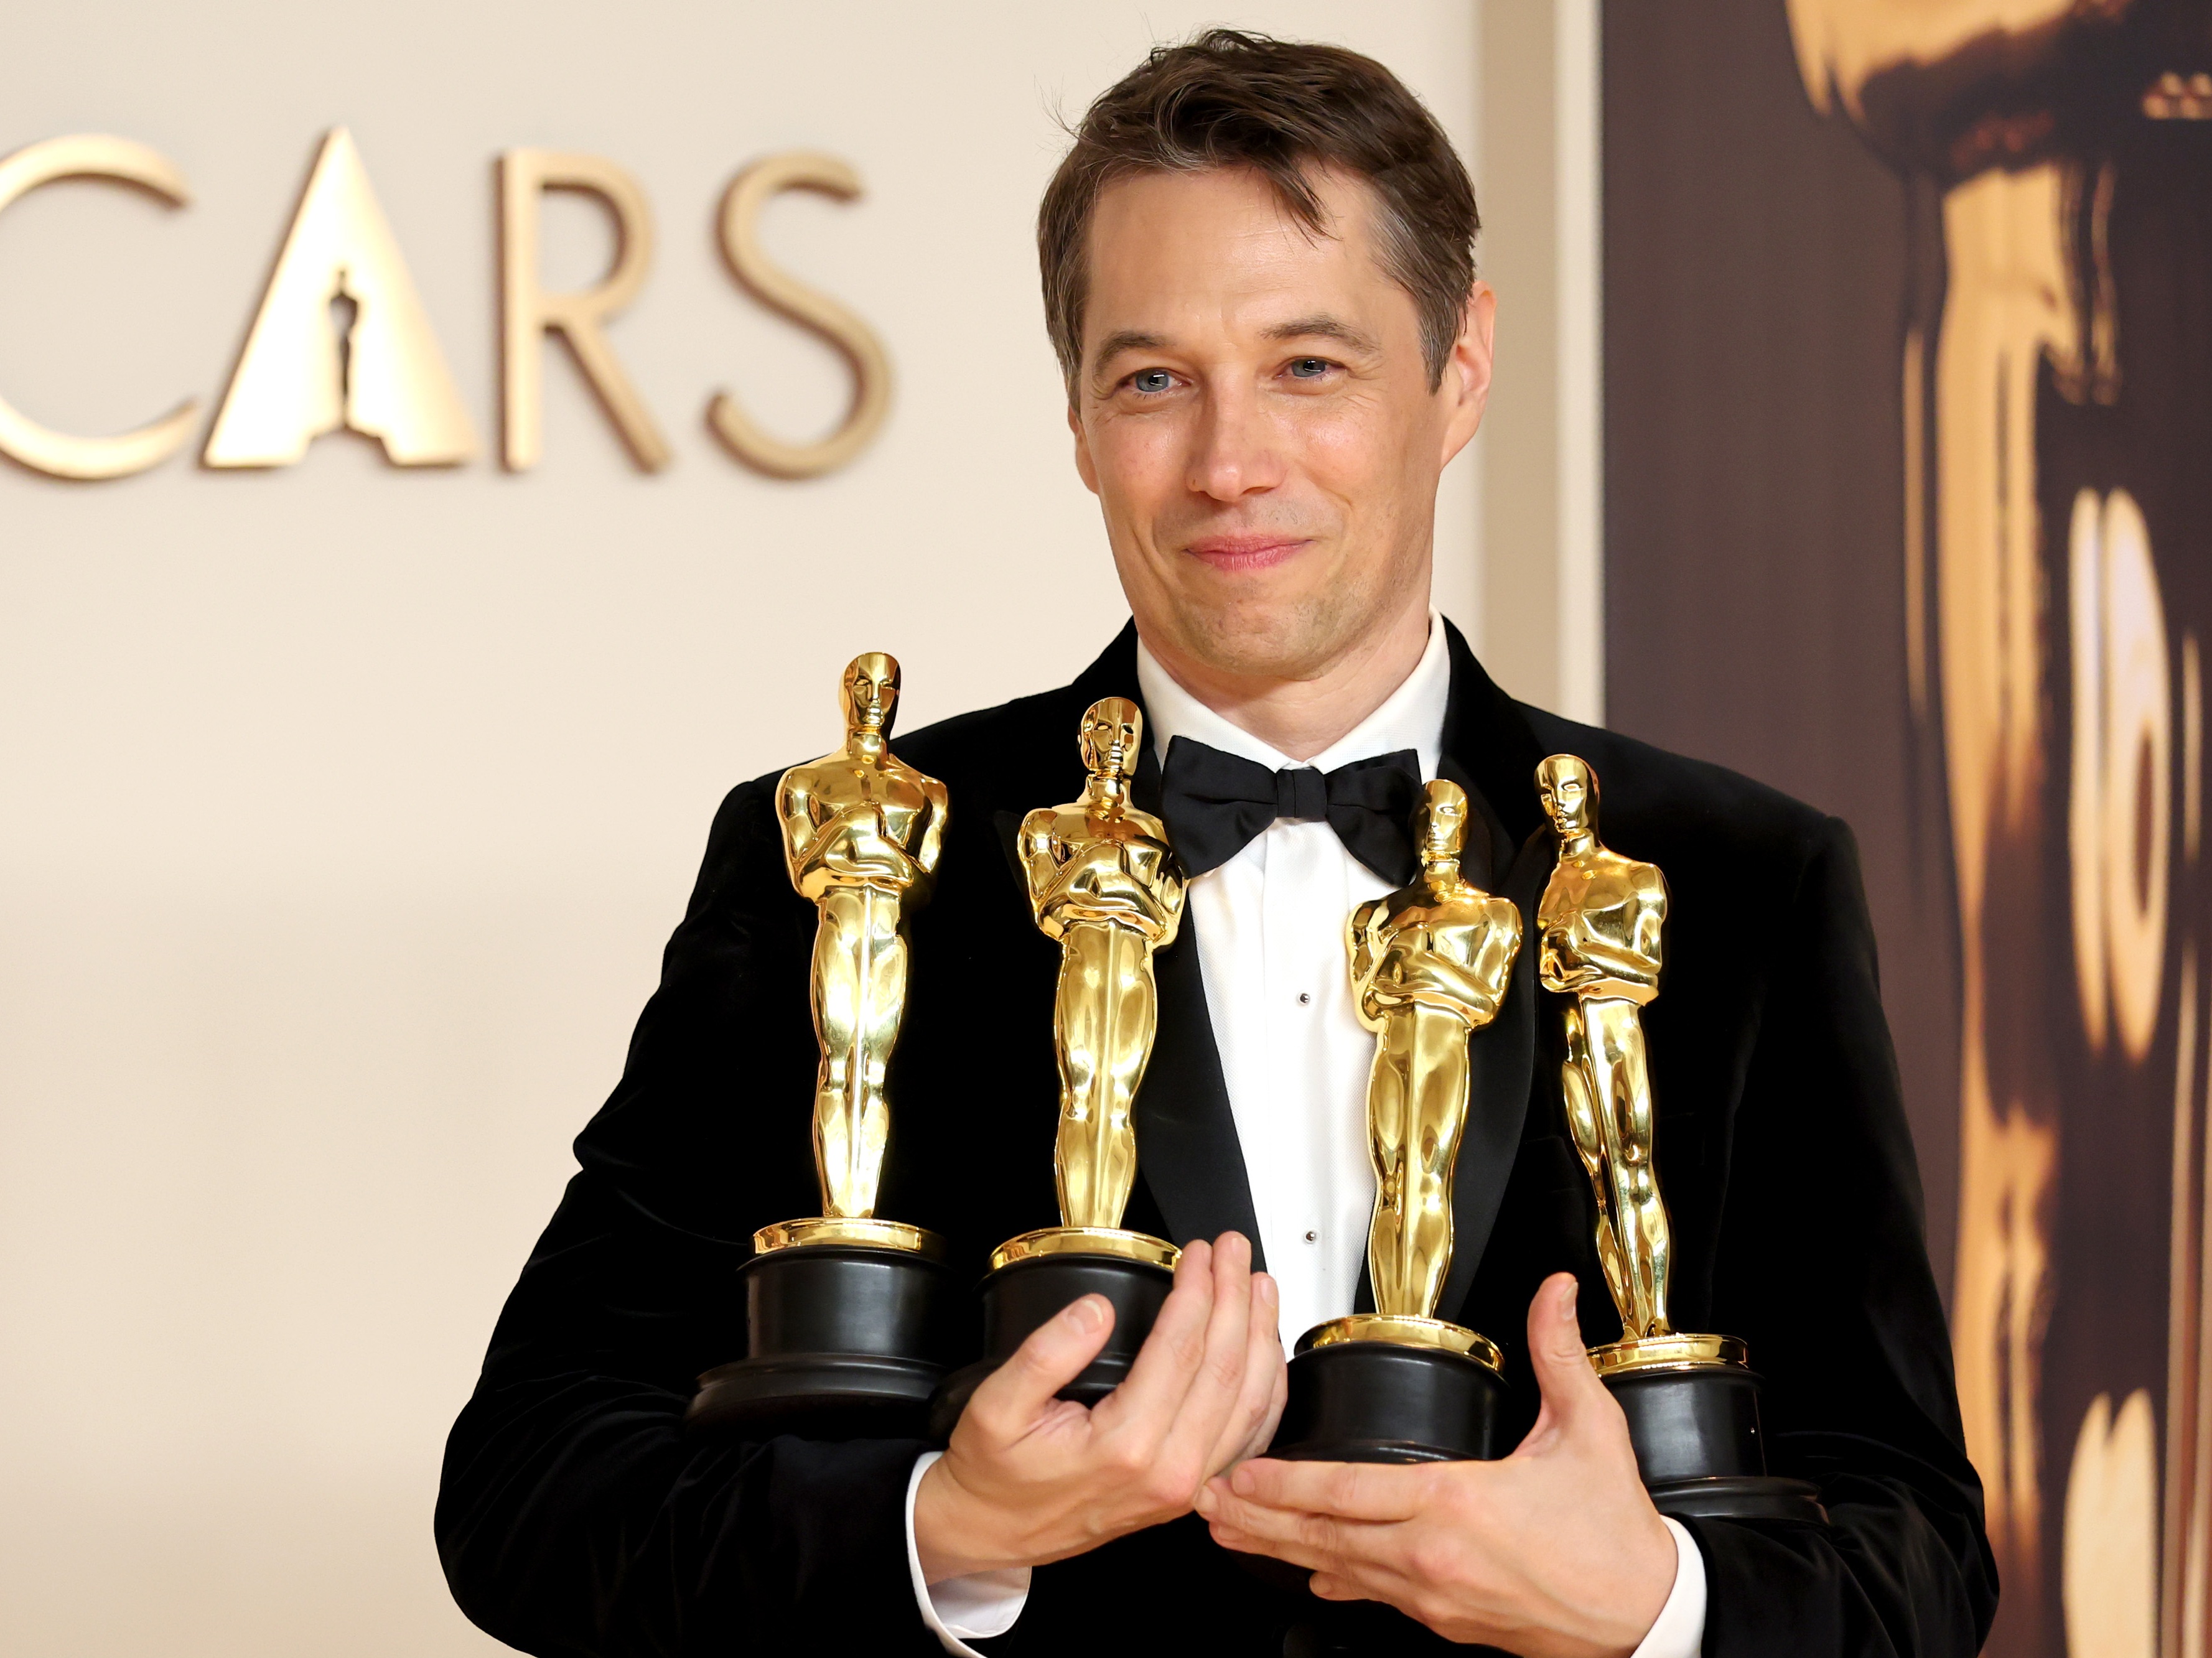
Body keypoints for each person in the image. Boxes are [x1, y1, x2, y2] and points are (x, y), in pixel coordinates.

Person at [436, 30, 1995, 1657]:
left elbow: (1917, 1559)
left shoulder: (1741, 881)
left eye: (1308, 366)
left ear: (1458, 370)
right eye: (1153, 379)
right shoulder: (844, 857)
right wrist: (946, 1533)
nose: (1227, 464)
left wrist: (1652, 1606)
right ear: (1076, 416)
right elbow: (530, 1489)